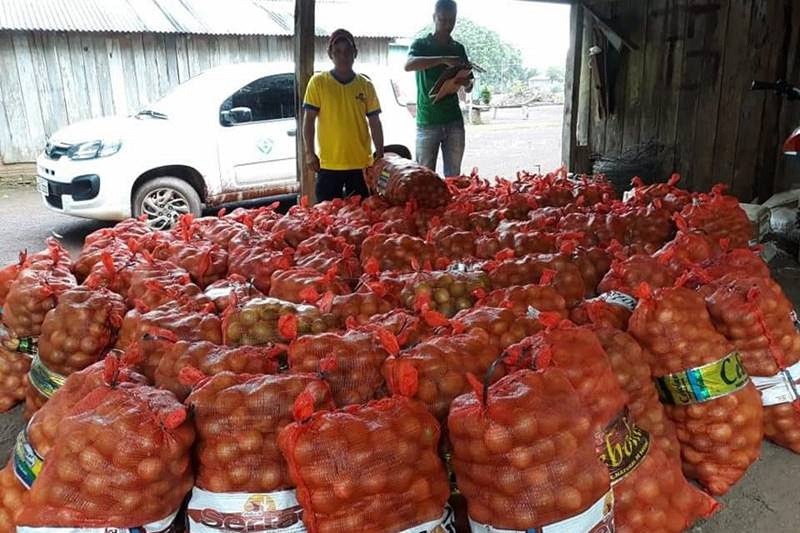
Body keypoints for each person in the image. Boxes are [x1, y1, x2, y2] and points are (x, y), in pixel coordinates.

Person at [303, 29, 384, 201]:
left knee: (362, 219)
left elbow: (375, 121)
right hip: (329, 165)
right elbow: (309, 120)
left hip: (361, 165)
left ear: (355, 53)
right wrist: (309, 152)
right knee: (327, 219)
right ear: (330, 54)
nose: (343, 56)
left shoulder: (366, 85)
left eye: (348, 51)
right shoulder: (318, 82)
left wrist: (380, 154)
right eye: (337, 51)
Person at [405, 0, 472, 177]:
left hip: (454, 121)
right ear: (434, 17)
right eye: (443, 20)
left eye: (452, 20)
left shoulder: (458, 48)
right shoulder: (421, 44)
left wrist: (465, 83)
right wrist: (442, 59)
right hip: (427, 121)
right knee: (424, 179)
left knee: (454, 179)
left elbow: (470, 85)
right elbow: (408, 65)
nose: (448, 25)